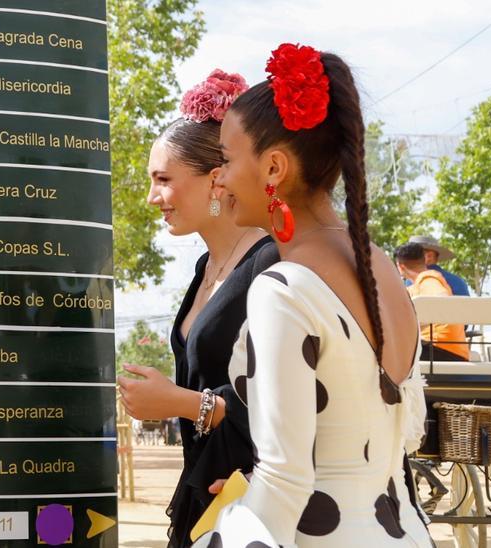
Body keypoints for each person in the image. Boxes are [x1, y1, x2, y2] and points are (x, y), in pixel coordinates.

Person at [199, 43, 432, 546]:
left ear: (274, 169)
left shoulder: (283, 289)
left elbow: (285, 484)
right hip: (403, 531)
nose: (218, 178)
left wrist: (237, 524)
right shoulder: (378, 265)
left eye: (225, 159)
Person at [120, 69, 276, 547]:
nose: (152, 197)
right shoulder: (206, 267)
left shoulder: (271, 262)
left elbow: (289, 395)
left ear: (214, 180)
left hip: (257, 502)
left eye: (163, 179)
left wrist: (183, 404)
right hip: (208, 491)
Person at [395, 242, 469, 361]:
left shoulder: (428, 279)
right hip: (448, 350)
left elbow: (441, 297)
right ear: (424, 259)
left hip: (439, 349)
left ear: (400, 266)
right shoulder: (417, 285)